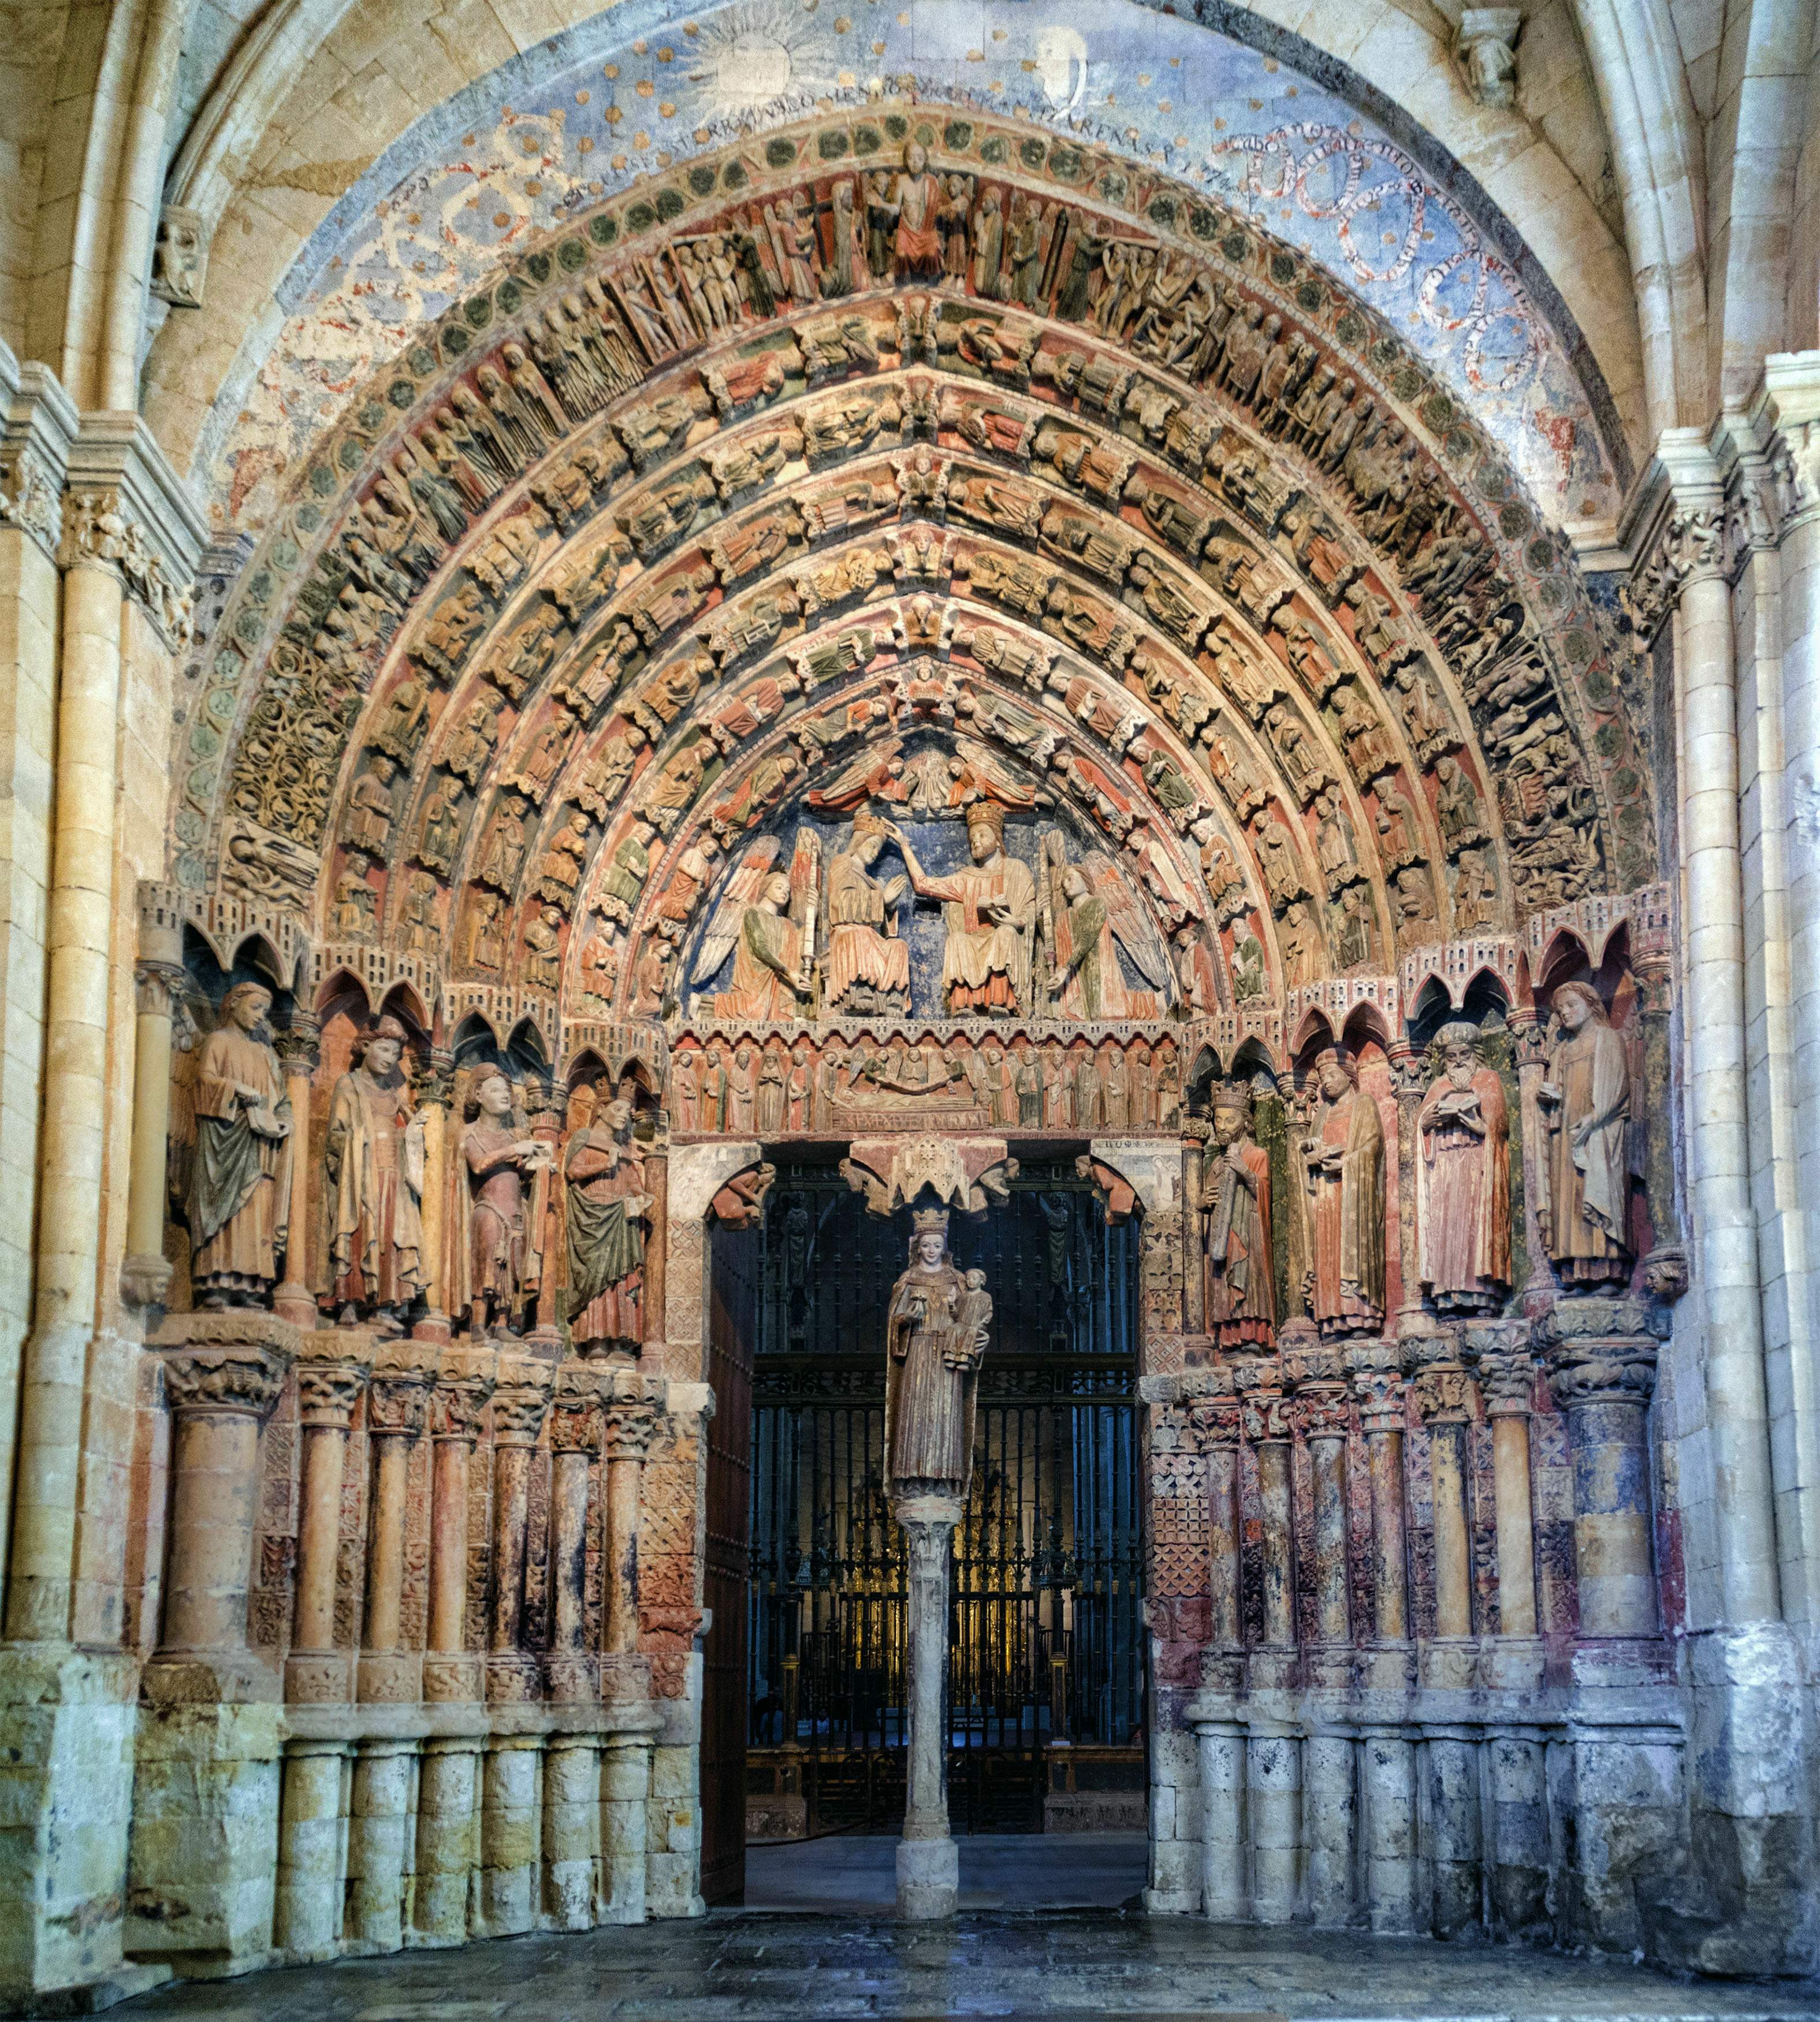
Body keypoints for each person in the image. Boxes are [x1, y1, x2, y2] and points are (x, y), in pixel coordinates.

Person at [188, 981, 293, 1305]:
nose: (261, 1017)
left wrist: (285, 1120)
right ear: (233, 1004)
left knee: (257, 1205)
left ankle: (251, 1284)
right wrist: (237, 1088)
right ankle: (217, 1282)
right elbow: (203, 1080)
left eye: (265, 1011)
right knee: (226, 1209)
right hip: (225, 1138)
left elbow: (282, 1099)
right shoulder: (217, 1041)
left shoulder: (265, 1054)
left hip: (261, 1142)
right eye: (255, 1008)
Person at [325, 1014, 424, 1326]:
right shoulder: (349, 1085)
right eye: (383, 1050)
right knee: (359, 1233)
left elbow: (407, 1136)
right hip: (361, 1173)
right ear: (366, 1047)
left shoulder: (396, 1096)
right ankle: (350, 1302)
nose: (389, 1059)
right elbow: (336, 1135)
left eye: (395, 1055)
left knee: (390, 1239)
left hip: (393, 1175)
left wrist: (413, 1133)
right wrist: (359, 1143)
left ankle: (384, 1307)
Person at [884, 1210, 989, 1493]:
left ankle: (944, 1481)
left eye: (937, 1245)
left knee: (945, 1415)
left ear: (945, 1248)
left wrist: (979, 1339)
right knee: (916, 1416)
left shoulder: (958, 1280)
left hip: (948, 1354)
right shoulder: (909, 1279)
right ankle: (913, 1481)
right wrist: (908, 1318)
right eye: (926, 1245)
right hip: (918, 1353)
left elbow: (971, 1317)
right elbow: (895, 1323)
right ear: (917, 1247)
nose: (931, 1251)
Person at [1536, 981, 1632, 1286]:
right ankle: (1575, 1271)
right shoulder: (1563, 1050)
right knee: (1569, 1198)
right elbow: (1562, 1090)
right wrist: (1551, 1097)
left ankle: (1607, 1270)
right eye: (1560, 1010)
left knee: (1595, 1189)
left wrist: (1594, 1119)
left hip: (1599, 1129)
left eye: (1571, 1006)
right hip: (1567, 1131)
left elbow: (1619, 1090)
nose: (1565, 1013)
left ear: (1591, 1005)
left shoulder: (1607, 1038)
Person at [565, 1092, 650, 1354]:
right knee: (598, 1276)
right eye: (618, 1108)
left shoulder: (624, 1150)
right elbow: (572, 1172)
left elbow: (632, 1180)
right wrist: (604, 1164)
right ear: (601, 1109)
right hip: (593, 1215)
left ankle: (619, 1341)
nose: (624, 1115)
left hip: (621, 1216)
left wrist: (643, 1195)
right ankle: (596, 1341)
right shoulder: (585, 1138)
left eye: (628, 1111)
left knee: (622, 1277)